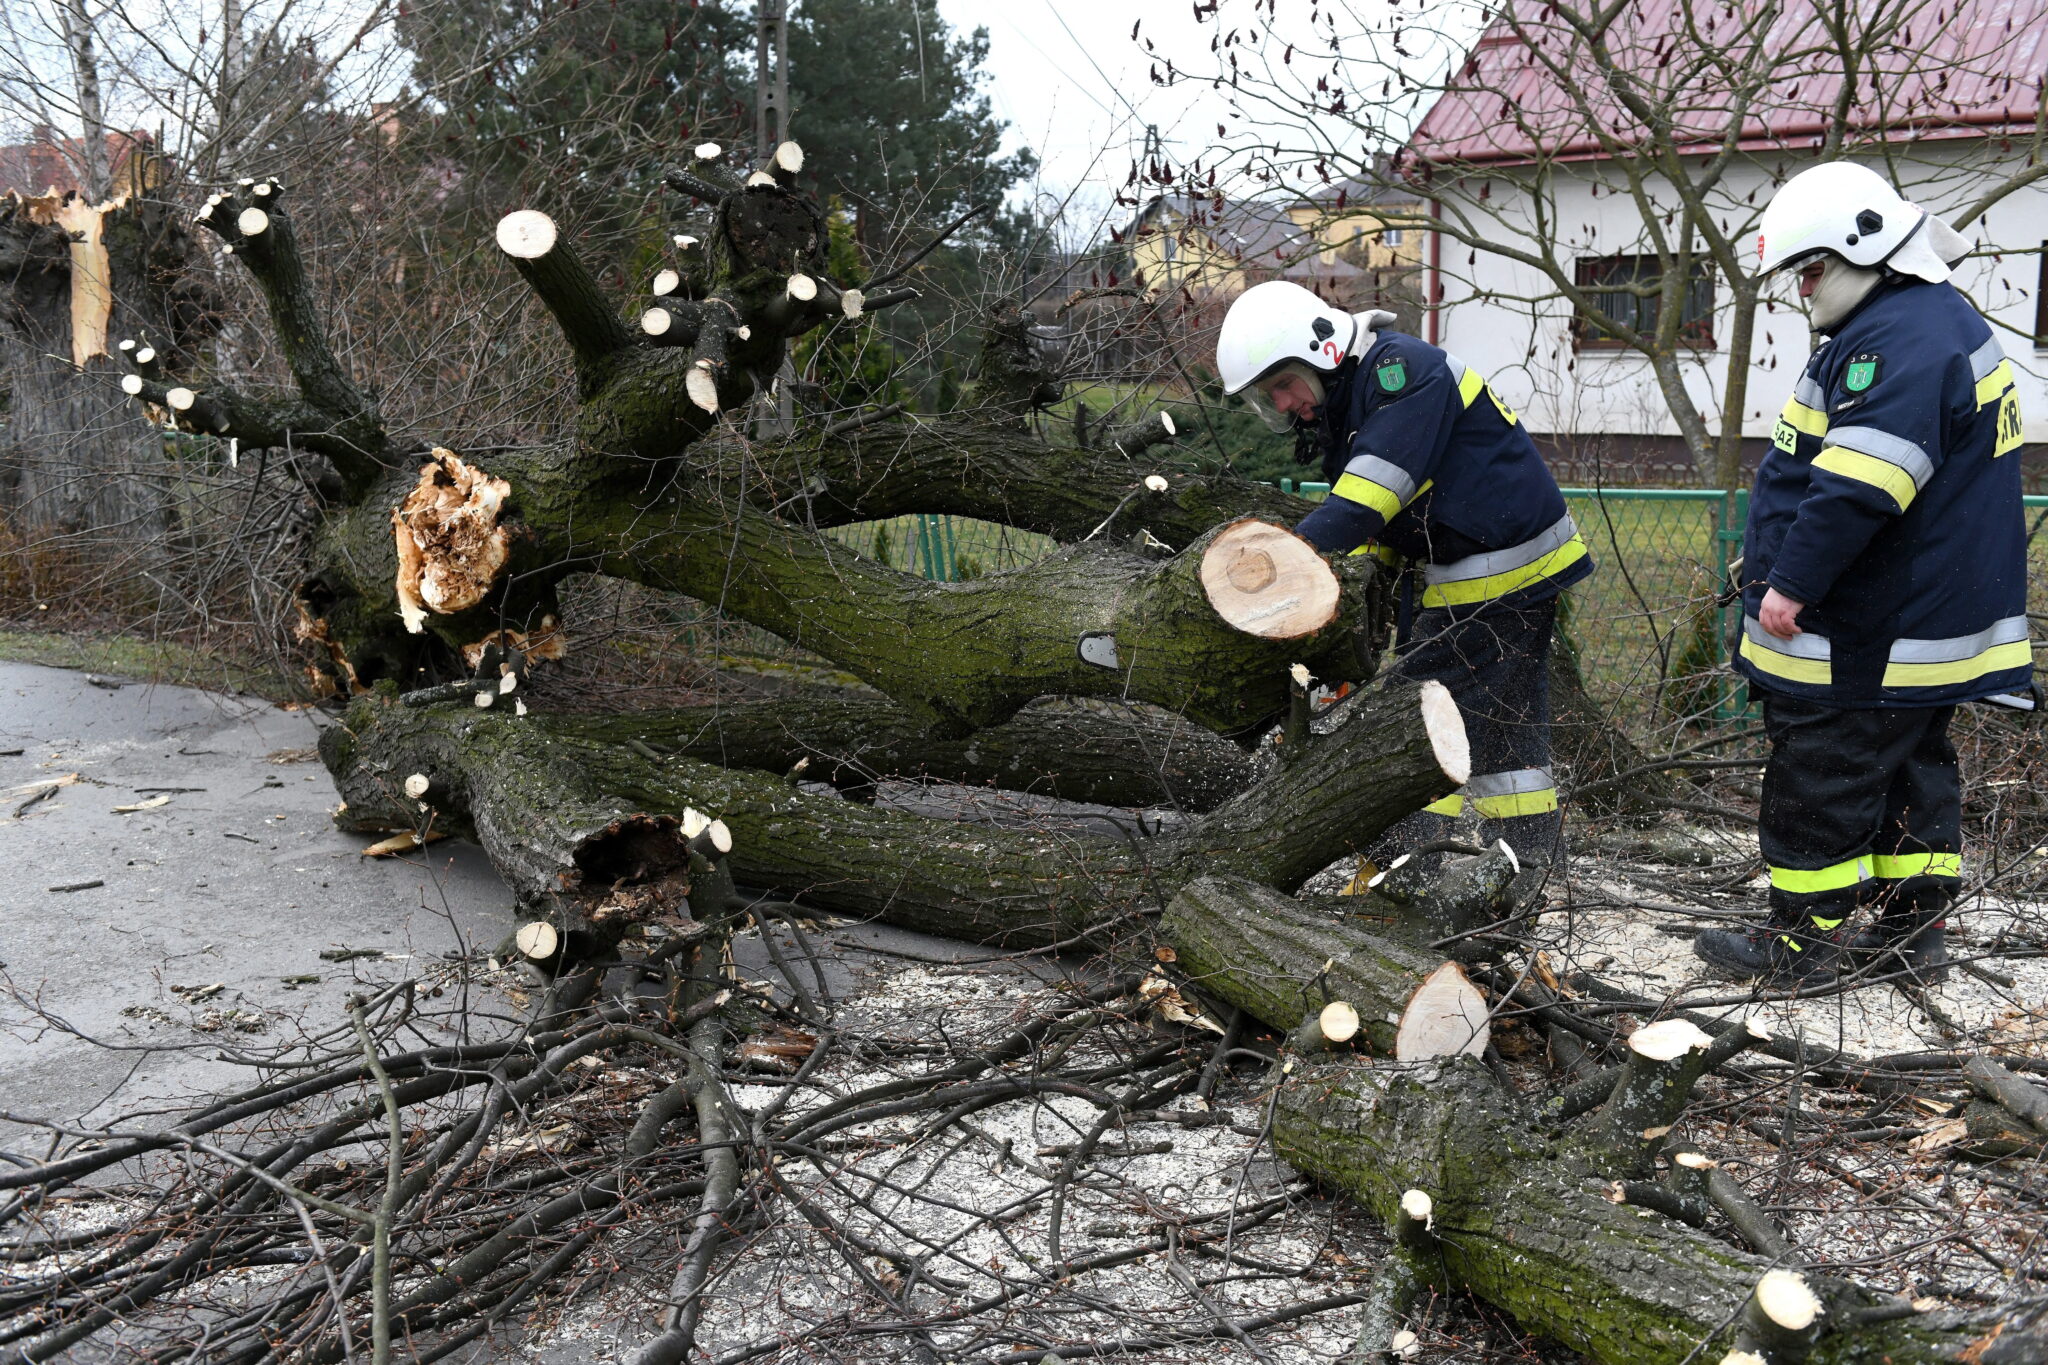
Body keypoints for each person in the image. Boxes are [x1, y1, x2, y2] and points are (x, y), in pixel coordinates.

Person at [1692, 161, 2030, 985]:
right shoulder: (1926, 322)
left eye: (1810, 272)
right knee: (1911, 771)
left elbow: (1858, 487)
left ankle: (1803, 945)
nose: (1804, 291)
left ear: (1863, 250)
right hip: (1918, 623)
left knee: (1822, 777)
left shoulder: (1899, 339)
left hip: (1869, 626)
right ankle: (1913, 940)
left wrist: (1789, 585)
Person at [1215, 280, 1593, 866]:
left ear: (1320, 351)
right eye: (1272, 395)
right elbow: (1395, 526)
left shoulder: (1402, 372)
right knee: (1500, 736)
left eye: (1284, 385)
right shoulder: (1356, 396)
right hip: (1485, 573)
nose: (1284, 404)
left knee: (1409, 725)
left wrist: (1279, 572)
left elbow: (1367, 502)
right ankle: (1528, 870)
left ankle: (1405, 875)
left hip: (1496, 574)